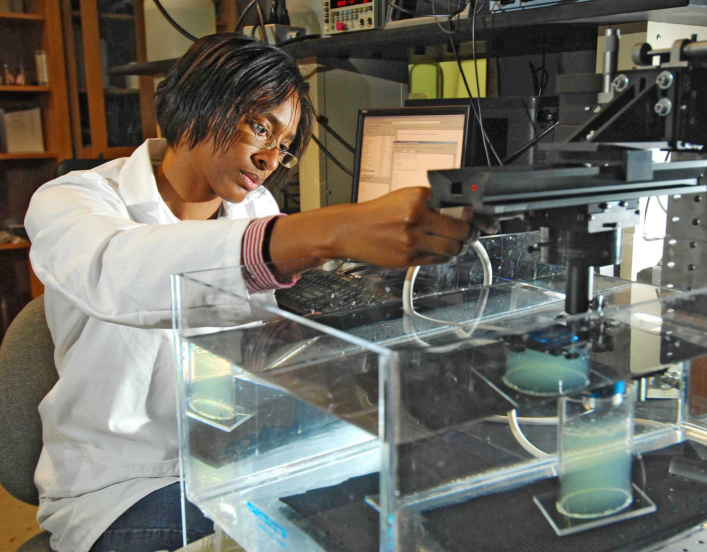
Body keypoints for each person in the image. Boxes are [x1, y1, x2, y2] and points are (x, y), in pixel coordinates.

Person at [25, 34, 493, 552]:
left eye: (284, 145)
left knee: (395, 481)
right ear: (195, 102)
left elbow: (254, 344)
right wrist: (328, 231)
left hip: (233, 456)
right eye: (260, 126)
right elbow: (116, 271)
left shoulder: (256, 206)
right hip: (126, 484)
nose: (272, 157)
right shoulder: (73, 199)